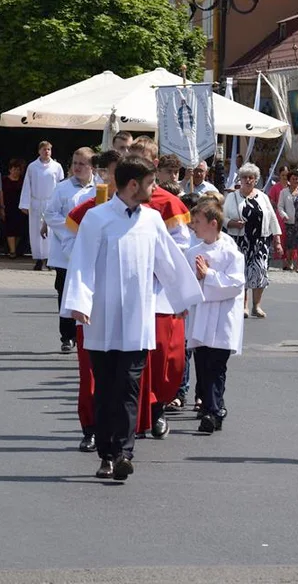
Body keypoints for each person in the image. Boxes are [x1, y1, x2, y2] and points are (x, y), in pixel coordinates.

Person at [63, 156, 202, 481]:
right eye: (151, 183)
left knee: (129, 388)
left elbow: (167, 261)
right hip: (100, 322)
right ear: (133, 185)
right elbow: (81, 263)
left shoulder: (152, 220)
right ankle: (106, 454)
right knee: (106, 391)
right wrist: (79, 302)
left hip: (137, 322)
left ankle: (124, 453)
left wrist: (180, 298)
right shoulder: (96, 219)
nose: (155, 190)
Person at [129, 136, 194, 439]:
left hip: (160, 292)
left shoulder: (169, 204)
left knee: (166, 359)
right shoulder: (117, 203)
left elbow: (181, 245)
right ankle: (143, 413)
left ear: (154, 165)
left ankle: (158, 406)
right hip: (129, 292)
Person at [64, 150, 122, 452]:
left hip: (124, 306)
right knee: (90, 374)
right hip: (93, 302)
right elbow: (74, 253)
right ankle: (90, 427)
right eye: (111, 174)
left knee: (121, 376)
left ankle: (121, 433)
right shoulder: (88, 210)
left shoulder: (141, 213)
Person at [186, 199, 246, 434]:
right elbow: (188, 285)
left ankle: (212, 411)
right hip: (201, 316)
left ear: (213, 223)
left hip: (222, 318)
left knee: (216, 366)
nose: (193, 226)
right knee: (202, 365)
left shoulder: (231, 253)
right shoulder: (193, 252)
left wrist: (208, 275)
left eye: (198, 222)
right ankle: (215, 408)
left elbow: (235, 285)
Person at [43, 147, 98, 354]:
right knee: (65, 292)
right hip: (65, 249)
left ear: (91, 166)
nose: (77, 167)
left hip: (91, 248)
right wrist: (71, 228)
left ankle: (85, 332)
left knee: (87, 290)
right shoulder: (62, 188)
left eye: (81, 163)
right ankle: (67, 336)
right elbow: (50, 214)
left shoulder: (99, 188)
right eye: (74, 163)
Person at [224, 163, 283, 317]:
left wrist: (277, 240)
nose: (248, 180)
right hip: (239, 240)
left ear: (256, 180)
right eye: (245, 177)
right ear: (240, 179)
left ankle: (256, 306)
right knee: (241, 272)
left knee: (260, 272)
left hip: (260, 241)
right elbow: (222, 217)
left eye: (251, 177)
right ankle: (243, 305)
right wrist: (232, 223)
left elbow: (272, 218)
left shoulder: (263, 197)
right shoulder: (232, 197)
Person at [19, 141, 65, 271]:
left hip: (50, 202)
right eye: (44, 149)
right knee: (35, 231)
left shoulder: (56, 166)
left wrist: (60, 203)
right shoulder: (32, 167)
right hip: (36, 202)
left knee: (50, 232)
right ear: (39, 151)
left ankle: (50, 259)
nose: (47, 152)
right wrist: (25, 204)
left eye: (49, 149)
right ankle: (38, 258)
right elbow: (27, 185)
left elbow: (60, 185)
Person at [2, 159, 28, 258]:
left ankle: (13, 248)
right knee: (10, 230)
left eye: (18, 169)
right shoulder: (4, 180)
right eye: (14, 169)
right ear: (10, 170)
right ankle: (12, 251)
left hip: (20, 208)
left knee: (20, 231)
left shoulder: (23, 181)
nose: (16, 171)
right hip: (8, 207)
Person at [266, 164, 289, 266]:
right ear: (279, 175)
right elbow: (270, 200)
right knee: (282, 236)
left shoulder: (291, 186)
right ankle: (282, 257)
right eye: (283, 175)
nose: (285, 177)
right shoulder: (275, 187)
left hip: (291, 214)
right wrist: (278, 205)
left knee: (290, 237)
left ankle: (290, 258)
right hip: (279, 214)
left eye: (286, 175)